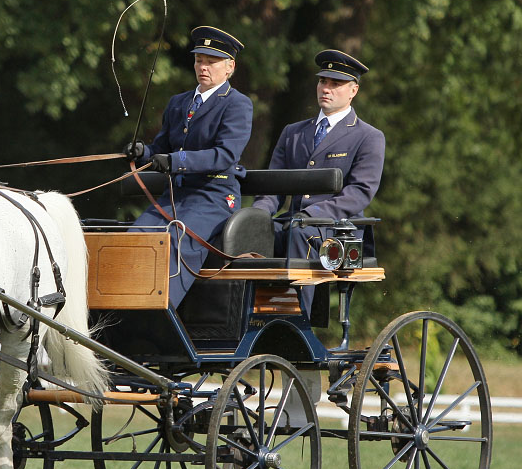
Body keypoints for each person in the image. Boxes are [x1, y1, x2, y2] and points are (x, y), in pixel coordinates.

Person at [125, 26, 253, 308]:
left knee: (174, 239)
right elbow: (162, 149)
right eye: (199, 60)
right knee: (134, 239)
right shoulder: (178, 103)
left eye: (211, 61)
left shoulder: (237, 105)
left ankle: (161, 311)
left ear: (229, 67)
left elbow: (225, 154)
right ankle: (125, 310)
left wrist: (176, 161)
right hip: (176, 197)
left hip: (214, 196)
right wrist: (143, 152)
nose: (203, 67)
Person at [252, 49, 385, 315]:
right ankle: (251, 318)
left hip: (338, 229)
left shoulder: (368, 136)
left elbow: (359, 193)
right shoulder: (293, 133)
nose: (326, 88)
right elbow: (273, 188)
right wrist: (255, 217)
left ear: (353, 91)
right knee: (245, 234)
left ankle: (296, 321)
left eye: (335, 83)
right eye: (323, 81)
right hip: (295, 222)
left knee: (298, 234)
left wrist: (311, 214)